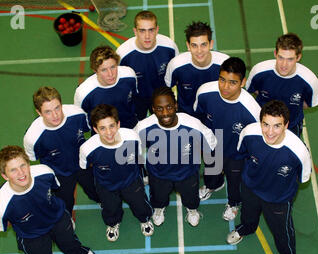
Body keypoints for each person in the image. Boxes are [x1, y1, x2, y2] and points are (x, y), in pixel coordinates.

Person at [0, 145, 97, 254]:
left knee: (70, 242)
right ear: (4, 176)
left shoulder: (44, 172)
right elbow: (1, 227)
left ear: (28, 164)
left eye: (23, 165)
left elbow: (55, 188)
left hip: (57, 218)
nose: (21, 173)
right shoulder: (0, 206)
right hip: (32, 236)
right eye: (13, 170)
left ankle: (78, 253)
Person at [226, 100, 312, 254]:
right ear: (260, 122)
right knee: (248, 216)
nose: (270, 132)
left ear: (286, 125)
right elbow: (242, 153)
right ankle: (245, 229)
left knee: (282, 231)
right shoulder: (249, 133)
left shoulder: (299, 151)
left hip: (278, 198)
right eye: (266, 124)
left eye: (277, 126)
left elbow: (303, 178)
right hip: (251, 187)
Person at [134, 87, 217, 227]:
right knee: (159, 198)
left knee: (191, 198)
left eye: (169, 107)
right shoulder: (143, 127)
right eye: (159, 109)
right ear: (153, 109)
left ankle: (192, 210)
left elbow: (211, 143)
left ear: (176, 106)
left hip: (187, 173)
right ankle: (159, 209)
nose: (165, 113)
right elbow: (132, 148)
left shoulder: (193, 125)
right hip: (158, 174)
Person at [193, 57, 261, 221]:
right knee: (211, 171)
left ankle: (233, 203)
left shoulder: (252, 110)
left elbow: (256, 138)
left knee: (234, 181)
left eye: (232, 82)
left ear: (242, 82)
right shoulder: (205, 92)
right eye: (222, 80)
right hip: (212, 145)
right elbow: (199, 115)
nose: (225, 87)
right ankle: (212, 185)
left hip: (236, 154)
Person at [79, 104, 154, 242]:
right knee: (110, 208)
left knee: (140, 203)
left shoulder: (132, 137)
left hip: (131, 181)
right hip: (106, 185)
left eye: (112, 126)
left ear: (118, 124)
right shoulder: (87, 148)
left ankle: (145, 219)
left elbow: (138, 157)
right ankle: (112, 224)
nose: (109, 132)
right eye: (102, 128)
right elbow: (85, 167)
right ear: (95, 129)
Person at [24, 86, 100, 215]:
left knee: (96, 190)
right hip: (59, 174)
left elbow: (89, 131)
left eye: (57, 108)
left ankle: (99, 200)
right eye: (48, 112)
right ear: (39, 112)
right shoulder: (32, 137)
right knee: (65, 204)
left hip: (83, 164)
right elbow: (33, 158)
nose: (55, 115)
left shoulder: (77, 114)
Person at [245, 33, 318, 137]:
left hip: (291, 126)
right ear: (275, 53)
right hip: (261, 123)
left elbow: (307, 104)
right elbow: (253, 91)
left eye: (290, 59)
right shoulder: (259, 71)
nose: (284, 65)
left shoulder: (310, 81)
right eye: (281, 57)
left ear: (298, 57)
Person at [116, 10, 179, 120]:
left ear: (157, 30)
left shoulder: (169, 47)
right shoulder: (123, 54)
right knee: (138, 124)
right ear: (135, 31)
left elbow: (176, 71)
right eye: (142, 31)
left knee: (166, 123)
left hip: (162, 98)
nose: (147, 36)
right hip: (137, 99)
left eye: (151, 30)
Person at [165, 21, 229, 118]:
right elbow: (167, 88)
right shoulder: (176, 65)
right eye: (194, 45)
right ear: (188, 46)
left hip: (215, 117)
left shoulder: (226, 64)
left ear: (211, 44)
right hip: (186, 118)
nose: (199, 51)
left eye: (203, 44)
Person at [74, 45, 139, 131]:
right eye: (104, 70)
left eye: (113, 67)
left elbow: (136, 97)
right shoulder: (83, 92)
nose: (110, 74)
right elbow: (80, 118)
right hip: (103, 136)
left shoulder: (129, 75)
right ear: (95, 70)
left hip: (131, 127)